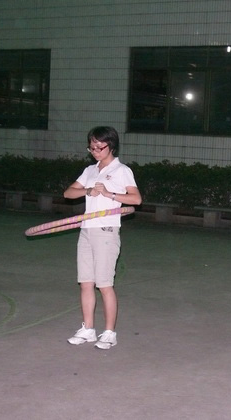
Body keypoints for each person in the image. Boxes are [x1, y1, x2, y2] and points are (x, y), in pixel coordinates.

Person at [64, 126, 142, 350]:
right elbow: (68, 193)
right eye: (92, 147)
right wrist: (87, 191)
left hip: (106, 230)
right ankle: (88, 329)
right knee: (86, 283)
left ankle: (109, 333)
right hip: (87, 230)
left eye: (100, 147)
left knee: (105, 284)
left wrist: (109, 194)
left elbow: (136, 199)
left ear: (111, 145)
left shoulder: (122, 170)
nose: (95, 151)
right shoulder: (89, 170)